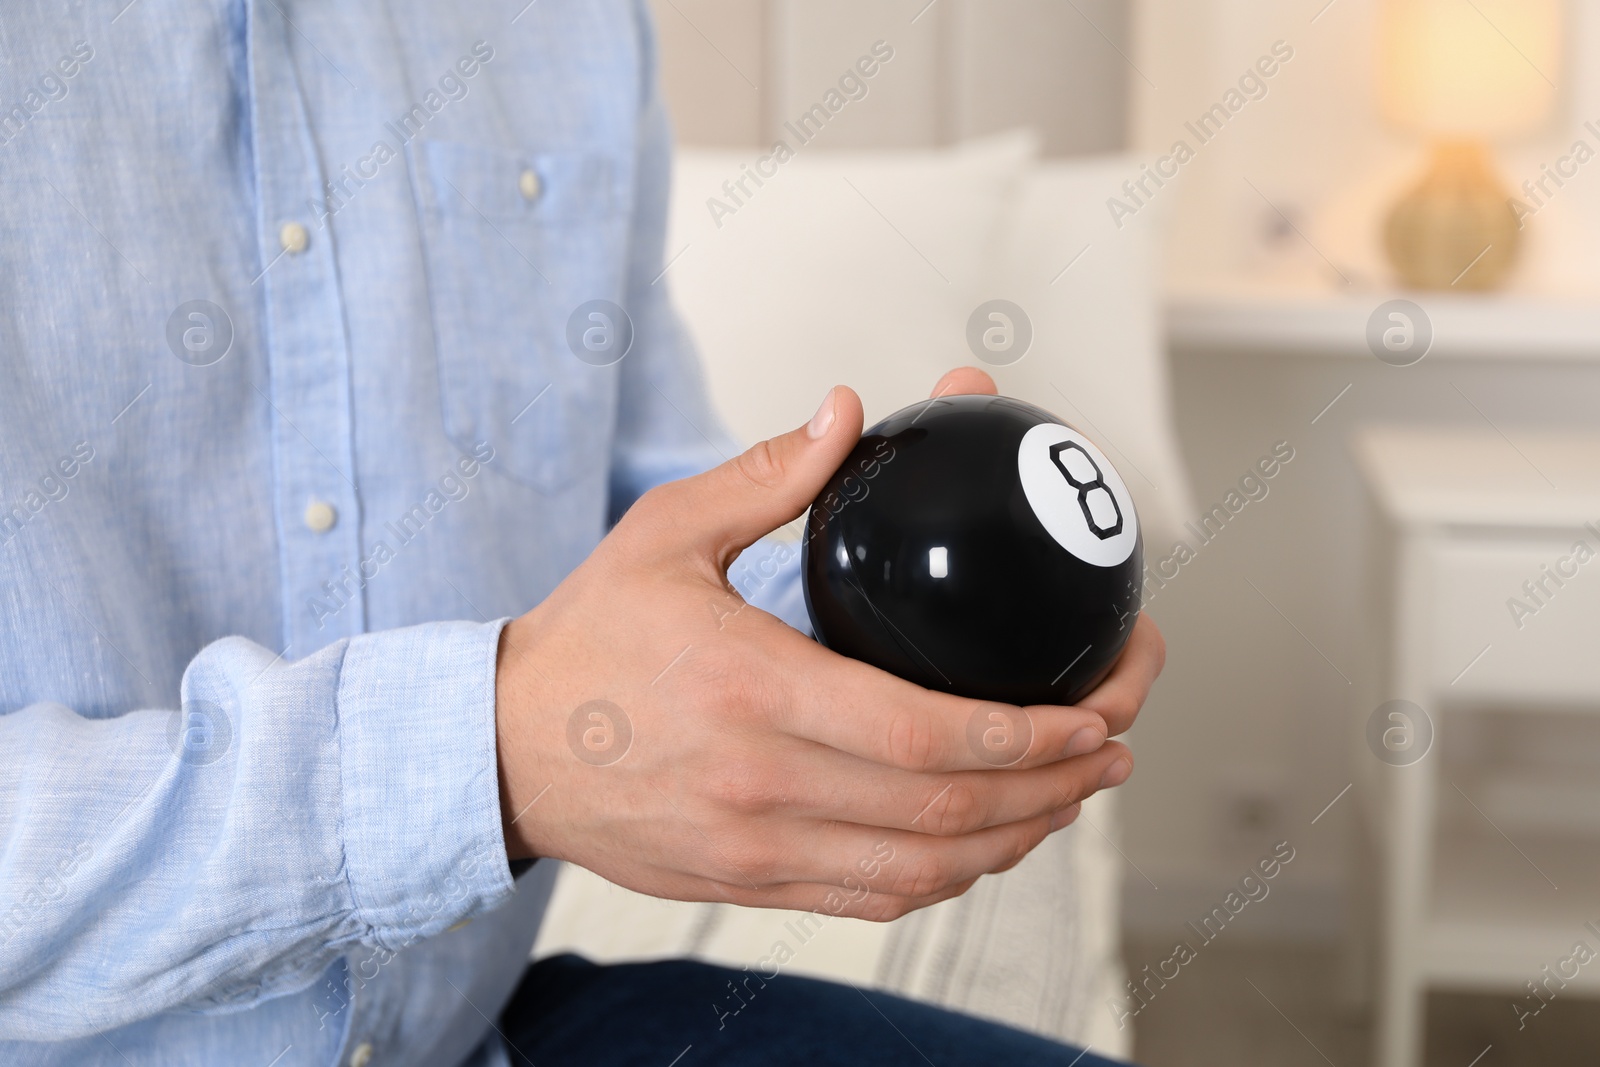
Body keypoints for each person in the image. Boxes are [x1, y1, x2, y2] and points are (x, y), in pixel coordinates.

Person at [0, 2, 1163, 1064]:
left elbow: (659, 521)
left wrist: (858, 601)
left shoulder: (572, 25)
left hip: (466, 1037)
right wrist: (499, 753)